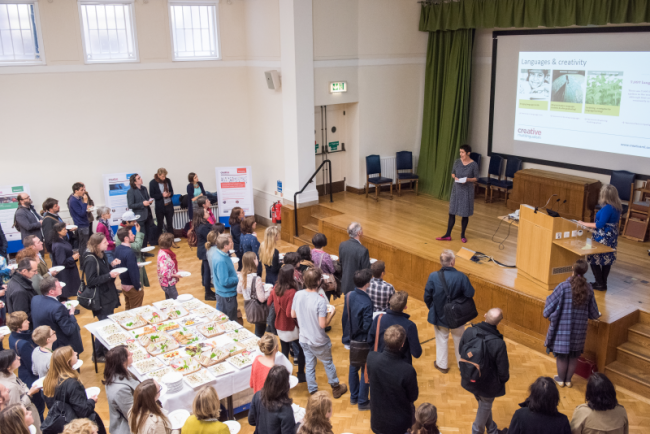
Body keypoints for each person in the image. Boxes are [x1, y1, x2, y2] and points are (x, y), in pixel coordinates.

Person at [544, 258, 600, 388]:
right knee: (574, 355)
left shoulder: (563, 286)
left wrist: (548, 314)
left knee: (562, 356)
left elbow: (549, 304)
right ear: (585, 271)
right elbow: (594, 313)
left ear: (572, 269)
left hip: (563, 328)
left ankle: (561, 379)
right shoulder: (589, 288)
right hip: (579, 329)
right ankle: (568, 380)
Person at [292, 267, 347, 398]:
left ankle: (313, 391)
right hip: (318, 340)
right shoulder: (320, 300)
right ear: (318, 282)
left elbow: (292, 314)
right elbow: (323, 324)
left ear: (304, 280)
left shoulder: (298, 295)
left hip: (304, 338)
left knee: (310, 364)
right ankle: (336, 387)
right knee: (328, 363)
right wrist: (331, 314)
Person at [459, 308, 510, 434]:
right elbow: (503, 371)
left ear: (485, 315)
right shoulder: (499, 343)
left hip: (470, 377)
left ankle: (492, 430)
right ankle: (476, 431)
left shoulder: (469, 331)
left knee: (484, 405)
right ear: (499, 323)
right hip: (488, 384)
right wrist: (500, 382)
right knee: (485, 405)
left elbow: (461, 351)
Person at [424, 249, 475, 373]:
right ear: (452, 262)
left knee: (441, 339)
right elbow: (470, 293)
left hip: (439, 314)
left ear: (442, 262)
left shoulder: (433, 276)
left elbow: (427, 296)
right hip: (457, 315)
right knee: (460, 340)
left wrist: (433, 307)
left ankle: (442, 365)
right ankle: (461, 365)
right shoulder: (461, 276)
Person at [367, 325, 419, 434]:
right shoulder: (407, 370)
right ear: (403, 344)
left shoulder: (371, 358)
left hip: (378, 421)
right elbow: (413, 396)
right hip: (399, 425)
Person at [43, 346, 105, 434]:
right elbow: (83, 412)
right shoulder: (73, 383)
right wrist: (92, 401)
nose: (76, 353)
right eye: (73, 353)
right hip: (79, 426)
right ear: (69, 361)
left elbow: (51, 405)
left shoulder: (48, 380)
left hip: (61, 424)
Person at [84, 233, 122, 363]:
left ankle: (106, 349)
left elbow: (103, 271)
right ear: (97, 244)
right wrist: (109, 276)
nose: (108, 243)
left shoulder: (101, 254)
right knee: (103, 327)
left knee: (107, 324)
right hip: (101, 298)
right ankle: (97, 354)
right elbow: (91, 281)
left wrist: (111, 265)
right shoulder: (90, 259)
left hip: (108, 295)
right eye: (105, 242)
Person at [578, 184, 623, 291]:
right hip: (611, 235)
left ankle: (599, 282)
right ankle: (603, 283)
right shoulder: (617, 206)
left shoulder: (608, 208)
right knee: (606, 258)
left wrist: (583, 223)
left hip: (603, 235)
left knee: (594, 257)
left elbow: (599, 225)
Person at [341, 269, 373, 410]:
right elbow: (366, 326)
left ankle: (354, 397)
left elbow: (344, 318)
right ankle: (362, 401)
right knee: (365, 370)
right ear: (367, 284)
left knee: (353, 367)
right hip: (362, 341)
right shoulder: (367, 301)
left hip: (350, 338)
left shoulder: (348, 295)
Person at [267, 265, 305, 382]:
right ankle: (300, 374)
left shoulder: (276, 287)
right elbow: (289, 313)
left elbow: (269, 302)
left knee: (284, 351)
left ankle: (285, 376)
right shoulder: (292, 292)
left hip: (279, 325)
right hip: (291, 327)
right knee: (300, 351)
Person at [437, 144, 479, 243]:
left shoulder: (474, 165)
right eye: (460, 152)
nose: (461, 154)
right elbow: (452, 173)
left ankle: (463, 235)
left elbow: (476, 178)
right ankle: (448, 234)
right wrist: (454, 177)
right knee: (452, 212)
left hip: (467, 191)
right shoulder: (457, 162)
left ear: (468, 153)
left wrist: (468, 179)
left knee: (465, 214)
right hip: (456, 190)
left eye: (462, 152)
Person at [31, 276, 83, 354]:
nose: (61, 287)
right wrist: (71, 314)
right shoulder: (58, 308)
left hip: (43, 344)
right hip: (60, 347)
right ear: (51, 291)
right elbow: (69, 330)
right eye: (59, 286)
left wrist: (58, 304)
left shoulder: (35, 299)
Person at [368, 290, 422, 364]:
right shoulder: (410, 326)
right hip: (400, 365)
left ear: (389, 302)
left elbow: (370, 340)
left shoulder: (378, 318)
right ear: (405, 307)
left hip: (379, 362)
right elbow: (416, 353)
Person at [7, 312, 44, 420]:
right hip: (31, 378)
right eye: (25, 321)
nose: (28, 321)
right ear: (18, 326)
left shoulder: (12, 336)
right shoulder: (24, 344)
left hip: (23, 374)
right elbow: (33, 367)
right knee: (38, 409)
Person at [0, 350, 43, 433]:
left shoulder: (8, 374)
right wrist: (29, 393)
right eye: (15, 358)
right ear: (8, 367)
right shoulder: (11, 387)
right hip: (25, 418)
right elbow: (16, 411)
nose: (19, 358)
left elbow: (21, 384)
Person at [248, 365, 297, 434]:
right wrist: (298, 425)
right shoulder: (285, 409)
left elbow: (251, 421)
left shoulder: (257, 395)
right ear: (285, 386)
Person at [104, 345, 140, 434]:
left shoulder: (113, 374)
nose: (132, 353)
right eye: (129, 354)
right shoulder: (121, 390)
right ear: (122, 361)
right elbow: (133, 415)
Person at [238, 252, 271, 337]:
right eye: (256, 258)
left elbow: (239, 290)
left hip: (248, 307)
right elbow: (262, 299)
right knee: (259, 333)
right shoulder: (257, 279)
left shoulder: (242, 275)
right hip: (258, 309)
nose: (258, 260)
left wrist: (250, 291)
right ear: (253, 261)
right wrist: (269, 291)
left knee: (258, 329)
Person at [115, 211, 151, 288]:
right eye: (133, 221)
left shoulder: (124, 229)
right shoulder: (123, 233)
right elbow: (137, 247)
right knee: (137, 288)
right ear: (127, 222)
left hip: (133, 261)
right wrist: (138, 232)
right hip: (132, 264)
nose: (135, 222)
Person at [209, 234, 239, 320]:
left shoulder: (219, 253)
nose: (232, 243)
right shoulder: (221, 260)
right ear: (225, 246)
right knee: (229, 321)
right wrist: (237, 278)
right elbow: (224, 281)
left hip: (223, 294)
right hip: (227, 296)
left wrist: (235, 273)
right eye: (230, 242)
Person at [115, 227, 144, 310]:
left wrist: (134, 264)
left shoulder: (118, 248)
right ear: (126, 238)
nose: (134, 235)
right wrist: (138, 286)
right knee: (136, 311)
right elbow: (132, 272)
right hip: (132, 286)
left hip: (124, 284)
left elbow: (121, 265)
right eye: (131, 234)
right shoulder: (129, 252)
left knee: (128, 309)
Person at [50, 222, 81, 301]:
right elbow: (61, 262)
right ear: (58, 232)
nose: (66, 231)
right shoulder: (58, 245)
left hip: (69, 269)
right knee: (65, 291)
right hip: (65, 272)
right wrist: (72, 258)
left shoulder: (61, 240)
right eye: (64, 229)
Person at [338, 222, 371, 295]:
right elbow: (366, 271)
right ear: (359, 233)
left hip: (345, 284)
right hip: (358, 287)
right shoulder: (363, 250)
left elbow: (341, 264)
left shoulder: (342, 245)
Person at [127, 173, 155, 248]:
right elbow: (130, 205)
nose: (141, 179)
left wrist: (149, 201)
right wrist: (142, 204)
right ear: (134, 182)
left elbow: (147, 198)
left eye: (140, 177)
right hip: (140, 216)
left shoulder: (144, 188)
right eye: (138, 178)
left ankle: (146, 250)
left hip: (148, 214)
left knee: (149, 233)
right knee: (142, 234)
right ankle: (142, 252)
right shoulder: (131, 191)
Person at [6, 259, 38, 324]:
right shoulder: (20, 291)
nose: (36, 273)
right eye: (34, 271)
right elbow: (23, 317)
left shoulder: (14, 279)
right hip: (28, 329)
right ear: (24, 271)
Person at [195, 208, 216, 301]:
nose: (208, 212)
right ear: (202, 216)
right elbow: (211, 237)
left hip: (204, 250)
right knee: (207, 272)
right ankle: (207, 293)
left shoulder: (202, 225)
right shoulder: (203, 227)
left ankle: (208, 291)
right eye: (206, 212)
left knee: (206, 270)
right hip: (205, 250)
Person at [68, 182, 91, 263]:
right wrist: (85, 202)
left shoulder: (78, 198)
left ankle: (84, 263)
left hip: (84, 224)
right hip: (81, 225)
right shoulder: (73, 200)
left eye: (84, 189)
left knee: (84, 245)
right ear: (76, 190)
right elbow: (81, 213)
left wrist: (86, 207)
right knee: (83, 246)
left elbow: (82, 210)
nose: (84, 191)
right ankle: (83, 264)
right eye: (82, 190)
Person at [157, 233, 183, 300]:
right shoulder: (164, 255)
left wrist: (178, 270)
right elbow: (164, 272)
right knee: (176, 301)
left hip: (167, 283)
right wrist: (175, 275)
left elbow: (168, 266)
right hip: (168, 283)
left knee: (169, 301)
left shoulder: (163, 251)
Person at [149, 168, 175, 237]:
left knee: (170, 224)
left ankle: (171, 240)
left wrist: (169, 194)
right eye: (162, 176)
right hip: (160, 207)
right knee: (160, 225)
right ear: (158, 175)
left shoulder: (168, 180)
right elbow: (152, 195)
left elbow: (172, 191)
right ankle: (160, 241)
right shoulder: (152, 183)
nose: (164, 178)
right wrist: (162, 195)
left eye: (165, 176)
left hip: (169, 205)